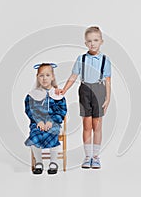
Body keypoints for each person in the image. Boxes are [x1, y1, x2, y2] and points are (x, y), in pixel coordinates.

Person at [57, 26, 111, 169]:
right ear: (85, 43)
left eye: (95, 40)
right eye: (89, 41)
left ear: (101, 41)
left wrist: (108, 98)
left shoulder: (105, 60)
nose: (92, 43)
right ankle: (87, 156)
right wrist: (64, 89)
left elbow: (108, 81)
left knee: (97, 125)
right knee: (87, 125)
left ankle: (96, 156)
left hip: (99, 91)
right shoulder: (81, 59)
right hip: (85, 90)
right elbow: (73, 76)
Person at [24, 63, 67, 175]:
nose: (44, 78)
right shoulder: (32, 95)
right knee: (34, 135)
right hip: (37, 123)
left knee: (53, 133)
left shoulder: (57, 94)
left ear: (52, 77)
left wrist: (51, 121)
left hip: (53, 123)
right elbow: (30, 110)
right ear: (37, 77)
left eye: (47, 75)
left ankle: (53, 162)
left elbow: (62, 111)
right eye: (41, 75)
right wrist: (39, 121)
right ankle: (39, 162)